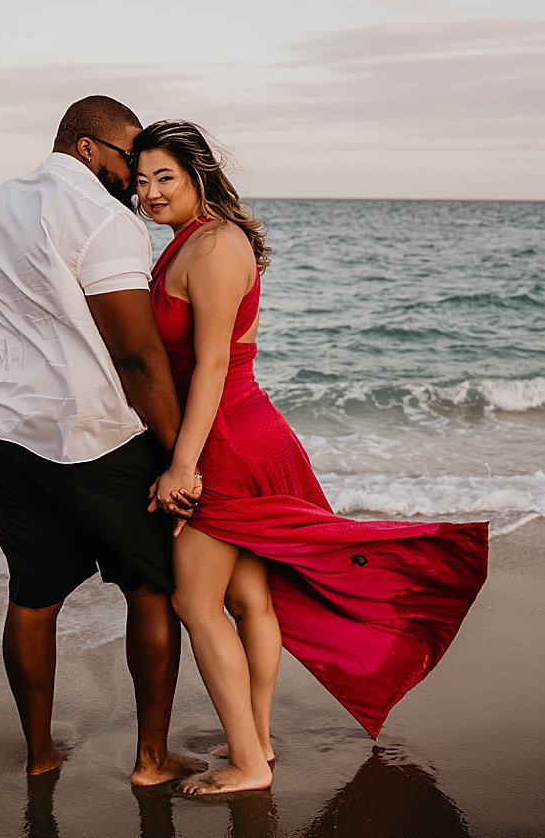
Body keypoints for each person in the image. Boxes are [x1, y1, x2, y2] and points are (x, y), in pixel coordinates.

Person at [136, 120, 490, 796]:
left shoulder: (211, 247)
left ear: (199, 175)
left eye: (165, 177)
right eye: (142, 180)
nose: (150, 192)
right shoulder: (195, 239)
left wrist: (184, 464)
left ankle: (247, 761)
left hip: (229, 439)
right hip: (245, 428)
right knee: (248, 597)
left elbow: (211, 362)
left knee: (193, 599)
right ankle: (257, 737)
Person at [0, 96, 204, 785]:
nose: (137, 179)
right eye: (131, 159)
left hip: (4, 429)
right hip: (95, 432)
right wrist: (181, 454)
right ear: (89, 148)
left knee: (33, 595)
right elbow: (136, 357)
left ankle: (40, 754)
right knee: (153, 587)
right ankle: (152, 761)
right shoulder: (104, 220)